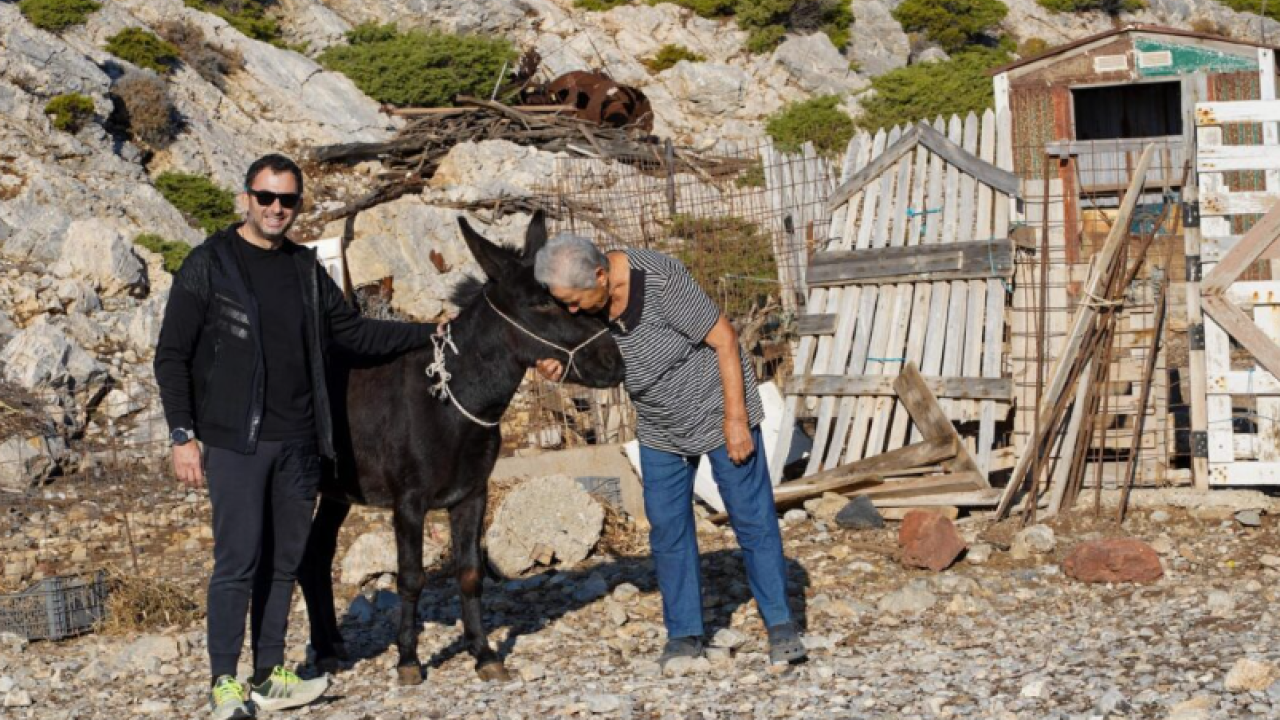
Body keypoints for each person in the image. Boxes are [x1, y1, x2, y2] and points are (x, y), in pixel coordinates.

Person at [154, 154, 437, 720]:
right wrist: (183, 434)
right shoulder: (210, 264)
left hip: (300, 442)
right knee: (239, 561)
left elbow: (352, 331)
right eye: (266, 198)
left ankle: (268, 674)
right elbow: (171, 356)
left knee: (285, 562)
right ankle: (224, 683)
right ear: (246, 197)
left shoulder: (306, 268)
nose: (277, 209)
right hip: (237, 440)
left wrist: (430, 333)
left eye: (288, 201)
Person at [532, 234, 807, 667]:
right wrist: (562, 371)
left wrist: (736, 421)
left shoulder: (660, 280)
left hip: (717, 408)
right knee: (667, 529)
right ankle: (685, 633)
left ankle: (780, 624)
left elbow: (725, 339)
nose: (570, 310)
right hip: (660, 424)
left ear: (601, 275)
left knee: (750, 517)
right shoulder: (593, 302)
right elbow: (606, 367)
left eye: (573, 299)